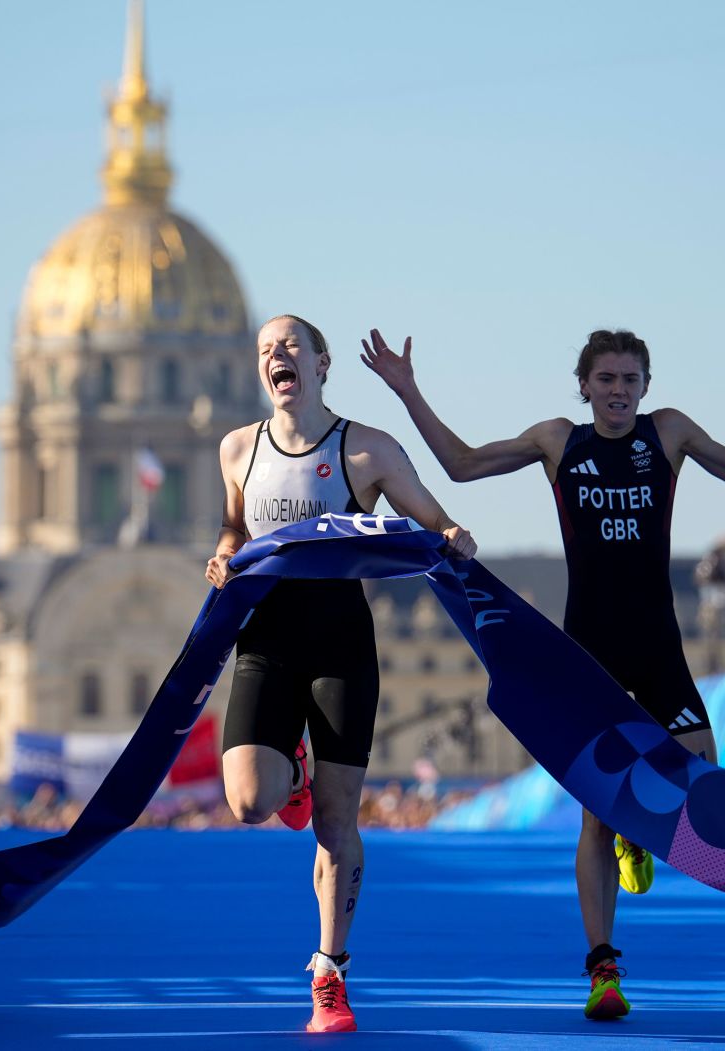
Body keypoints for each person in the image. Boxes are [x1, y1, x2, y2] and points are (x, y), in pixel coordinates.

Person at [361, 326, 725, 1020]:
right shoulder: (556, 442)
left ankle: (647, 832)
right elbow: (460, 464)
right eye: (606, 380)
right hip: (588, 654)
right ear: (584, 386)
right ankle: (604, 968)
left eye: (631, 380)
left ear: (645, 388)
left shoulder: (669, 433)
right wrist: (407, 387)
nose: (619, 393)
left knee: (703, 790)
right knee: (596, 817)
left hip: (658, 646)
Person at [206, 314, 476, 1034]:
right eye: (266, 349)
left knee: (336, 820)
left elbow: (430, 519)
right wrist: (224, 550)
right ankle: (290, 767)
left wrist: (451, 535)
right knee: (248, 801)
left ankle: (331, 972)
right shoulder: (238, 449)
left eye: (291, 345)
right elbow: (236, 526)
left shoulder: (367, 450)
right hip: (265, 638)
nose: (278, 356)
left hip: (340, 644)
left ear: (322, 363)